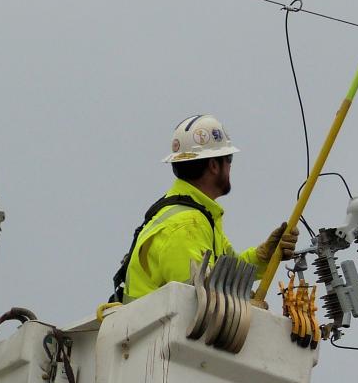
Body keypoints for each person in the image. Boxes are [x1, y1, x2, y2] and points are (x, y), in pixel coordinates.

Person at [111, 114, 298, 303]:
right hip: (156, 330)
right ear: (214, 165)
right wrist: (250, 308)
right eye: (229, 158)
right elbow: (197, 302)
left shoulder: (199, 214)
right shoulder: (186, 225)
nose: (231, 166)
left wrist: (264, 256)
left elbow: (227, 274)